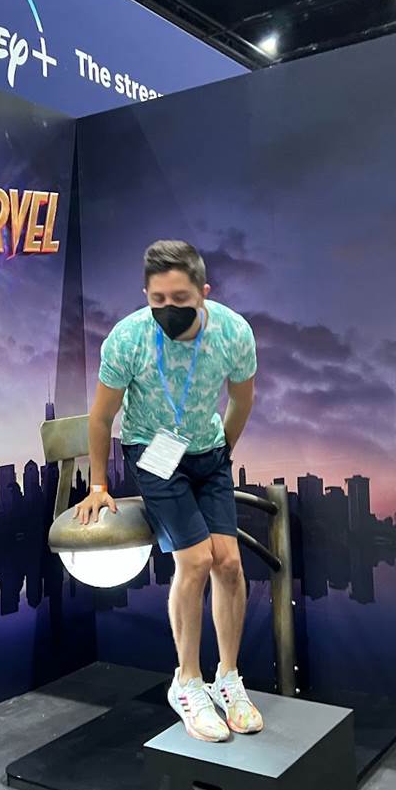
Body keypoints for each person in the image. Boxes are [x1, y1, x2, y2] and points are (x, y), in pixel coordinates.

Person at [77, 240, 259, 742]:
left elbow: (242, 400)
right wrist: (98, 484)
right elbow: (102, 417)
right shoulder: (128, 339)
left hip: (207, 451)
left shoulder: (233, 333)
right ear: (146, 296)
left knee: (229, 562)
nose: (169, 309)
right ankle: (188, 683)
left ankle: (228, 679)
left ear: (204, 292)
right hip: (154, 451)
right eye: (158, 300)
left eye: (180, 299)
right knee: (196, 560)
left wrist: (223, 452)